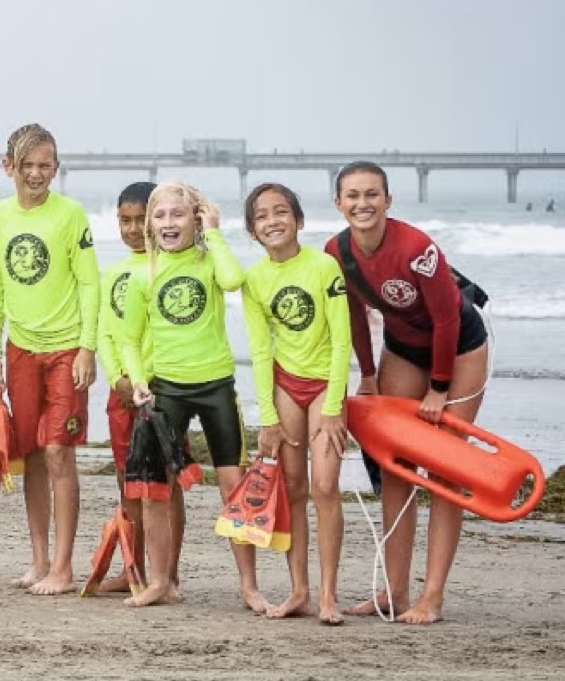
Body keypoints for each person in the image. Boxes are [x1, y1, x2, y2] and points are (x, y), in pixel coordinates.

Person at [327, 161, 489, 625]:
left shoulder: (416, 248)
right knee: (396, 466)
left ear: (388, 200)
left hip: (460, 349)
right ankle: (396, 591)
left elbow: (446, 320)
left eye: (372, 194)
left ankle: (431, 597)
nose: (363, 203)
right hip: (402, 348)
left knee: (445, 469)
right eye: (353, 195)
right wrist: (367, 373)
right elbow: (353, 317)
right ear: (339, 203)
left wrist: (439, 389)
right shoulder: (336, 252)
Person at [122, 181, 253, 609]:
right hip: (168, 389)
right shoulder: (145, 274)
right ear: (149, 225)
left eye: (177, 214)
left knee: (232, 484)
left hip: (216, 385)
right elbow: (129, 338)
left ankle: (248, 586)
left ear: (195, 219)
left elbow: (234, 280)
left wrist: (214, 232)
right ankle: (160, 581)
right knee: (156, 486)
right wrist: (138, 379)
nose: (168, 223)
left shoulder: (209, 261)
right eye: (159, 216)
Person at [0, 124, 99, 596]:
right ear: (8, 166)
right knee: (30, 453)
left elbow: (90, 283)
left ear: (56, 167)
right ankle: (40, 559)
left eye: (45, 165)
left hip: (67, 347)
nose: (36, 174)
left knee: (57, 452)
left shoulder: (71, 215)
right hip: (20, 349)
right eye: (26, 165)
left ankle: (65, 567)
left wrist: (89, 347)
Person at [242, 183, 351, 625]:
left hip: (324, 383)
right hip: (285, 385)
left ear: (299, 220)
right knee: (293, 488)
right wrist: (266, 416)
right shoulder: (254, 280)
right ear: (253, 231)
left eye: (281, 211)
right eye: (262, 215)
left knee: (324, 487)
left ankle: (328, 595)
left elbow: (342, 340)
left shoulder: (325, 267)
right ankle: (300, 591)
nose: (273, 220)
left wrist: (334, 405)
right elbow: (261, 349)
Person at [93, 180, 187, 593]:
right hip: (122, 392)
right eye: (124, 220)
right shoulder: (113, 271)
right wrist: (117, 378)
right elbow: (105, 333)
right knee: (126, 479)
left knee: (164, 482)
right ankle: (135, 569)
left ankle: (168, 572)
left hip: (162, 391)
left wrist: (147, 380)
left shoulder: (169, 269)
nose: (132, 229)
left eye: (139, 219)